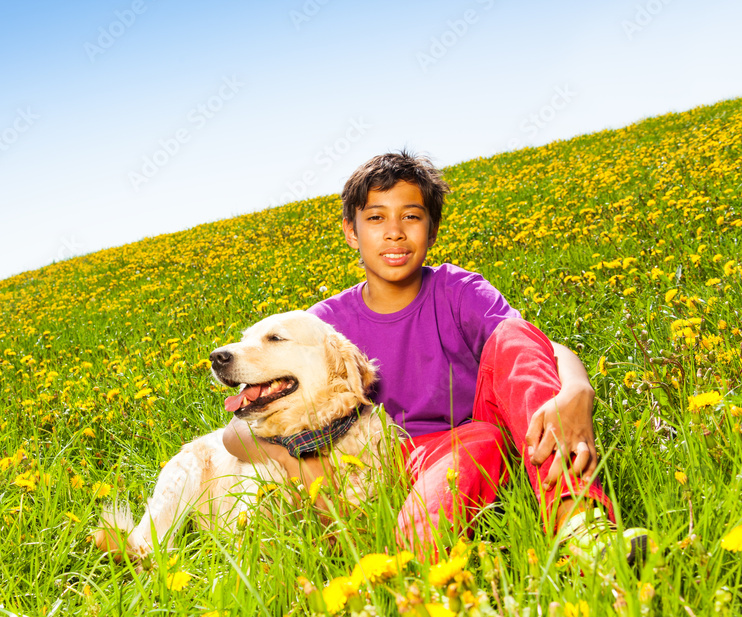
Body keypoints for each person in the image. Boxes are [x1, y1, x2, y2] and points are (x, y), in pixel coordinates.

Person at [223, 150, 645, 564]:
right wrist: (301, 465)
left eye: (410, 216)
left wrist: (576, 387)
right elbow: (234, 434)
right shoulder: (323, 326)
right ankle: (403, 566)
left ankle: (577, 521)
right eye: (375, 218)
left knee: (494, 400)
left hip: (474, 440)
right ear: (351, 232)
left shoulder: (458, 290)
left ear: (433, 228)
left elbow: (534, 347)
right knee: (476, 447)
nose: (394, 232)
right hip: (378, 461)